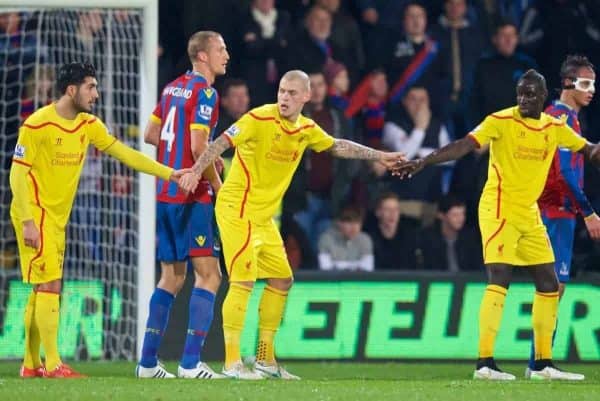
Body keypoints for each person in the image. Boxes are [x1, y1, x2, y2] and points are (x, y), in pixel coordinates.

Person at [179, 70, 404, 379]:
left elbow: (337, 145)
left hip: (264, 217)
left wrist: (380, 156)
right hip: (237, 210)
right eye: (282, 92)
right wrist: (195, 170)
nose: (284, 98)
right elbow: (219, 143)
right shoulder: (257, 119)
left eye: (292, 93)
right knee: (243, 281)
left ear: (306, 97)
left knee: (282, 280)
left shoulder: (307, 129)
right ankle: (232, 362)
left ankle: (265, 359)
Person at [392, 69, 600, 380]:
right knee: (500, 275)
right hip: (499, 209)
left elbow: (588, 150)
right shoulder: (500, 121)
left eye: (530, 94)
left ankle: (542, 364)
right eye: (520, 93)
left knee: (548, 282)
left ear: (543, 98)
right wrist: (423, 161)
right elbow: (464, 144)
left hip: (528, 213)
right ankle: (485, 363)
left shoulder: (554, 127)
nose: (524, 99)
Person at [11, 62, 186, 379]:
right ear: (71, 90)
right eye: (91, 87)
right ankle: (52, 364)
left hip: (56, 217)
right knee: (50, 285)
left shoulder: (88, 124)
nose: (96, 93)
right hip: (34, 212)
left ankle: (30, 364)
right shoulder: (36, 125)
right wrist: (27, 221)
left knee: (42, 287)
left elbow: (125, 153)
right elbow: (17, 176)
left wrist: (170, 173)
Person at [136, 31, 229, 380]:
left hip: (165, 193)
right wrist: (217, 184)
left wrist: (189, 155)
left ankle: (147, 364)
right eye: (220, 49)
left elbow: (149, 135)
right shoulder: (206, 92)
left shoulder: (171, 88)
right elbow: (196, 146)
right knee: (210, 275)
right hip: (194, 196)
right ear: (202, 56)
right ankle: (190, 364)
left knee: (171, 277)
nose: (226, 55)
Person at [528, 55, 600, 377]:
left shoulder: (565, 118)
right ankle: (539, 364)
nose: (592, 90)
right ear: (568, 83)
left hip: (556, 210)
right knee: (551, 287)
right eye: (585, 83)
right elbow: (565, 174)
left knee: (553, 287)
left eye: (594, 83)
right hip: (556, 209)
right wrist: (588, 212)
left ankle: (539, 363)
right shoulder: (560, 118)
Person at [418, 194, 482, 271]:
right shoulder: (428, 239)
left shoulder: (469, 238)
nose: (461, 219)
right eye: (455, 215)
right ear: (441, 215)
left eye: (463, 214)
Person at [318, 205, 374, 272]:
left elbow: (367, 268)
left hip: (358, 281)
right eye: (349, 222)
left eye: (357, 222)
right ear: (339, 223)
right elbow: (325, 268)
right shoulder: (326, 239)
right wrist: (354, 267)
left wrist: (339, 266)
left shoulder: (365, 239)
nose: (354, 227)